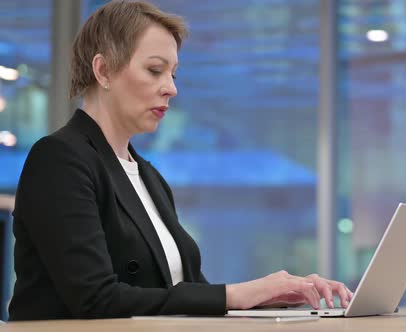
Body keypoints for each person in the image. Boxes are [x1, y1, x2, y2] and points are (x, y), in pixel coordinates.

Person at [8, 0, 352, 321]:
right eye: (155, 70)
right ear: (103, 71)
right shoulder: (59, 159)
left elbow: (187, 292)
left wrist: (274, 294)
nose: (171, 87)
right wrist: (237, 294)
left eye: (173, 73)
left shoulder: (148, 177)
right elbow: (95, 298)